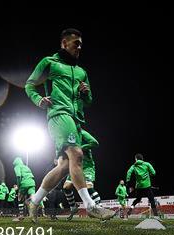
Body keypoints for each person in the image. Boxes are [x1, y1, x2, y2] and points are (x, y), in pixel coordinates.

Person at [24, 28, 114, 222]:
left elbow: (89, 100)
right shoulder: (49, 63)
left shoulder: (81, 71)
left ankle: (34, 201)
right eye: (76, 43)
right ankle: (90, 206)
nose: (79, 47)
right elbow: (30, 85)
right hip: (59, 115)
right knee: (77, 154)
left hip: (77, 120)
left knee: (64, 166)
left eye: (81, 44)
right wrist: (38, 99)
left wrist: (85, 92)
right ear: (64, 43)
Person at [64, 129, 100, 220]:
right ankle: (73, 207)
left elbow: (95, 143)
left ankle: (100, 209)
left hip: (87, 166)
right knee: (66, 187)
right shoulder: (67, 135)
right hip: (75, 166)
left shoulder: (82, 133)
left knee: (88, 187)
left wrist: (81, 148)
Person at [126, 154, 159, 218]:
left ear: (136, 159)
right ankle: (156, 215)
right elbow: (154, 173)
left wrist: (127, 181)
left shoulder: (134, 166)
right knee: (151, 200)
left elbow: (128, 172)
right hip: (147, 185)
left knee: (137, 199)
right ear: (142, 159)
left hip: (139, 186)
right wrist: (149, 174)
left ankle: (131, 209)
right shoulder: (147, 164)